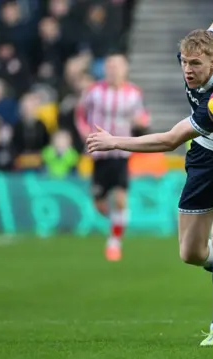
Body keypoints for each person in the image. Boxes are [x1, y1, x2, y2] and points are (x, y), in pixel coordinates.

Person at [86, 0, 213, 346]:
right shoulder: (201, 49)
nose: (188, 69)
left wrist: (115, 142)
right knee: (191, 254)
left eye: (195, 64)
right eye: (185, 62)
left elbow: (169, 139)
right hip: (205, 156)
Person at [75, 54, 150, 261]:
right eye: (110, 66)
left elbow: (143, 117)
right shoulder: (94, 92)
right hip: (99, 153)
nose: (113, 70)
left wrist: (141, 121)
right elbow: (80, 114)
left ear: (125, 69)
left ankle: (114, 242)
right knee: (99, 203)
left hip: (121, 151)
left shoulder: (134, 93)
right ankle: (117, 222)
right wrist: (84, 132)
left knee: (119, 198)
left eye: (117, 66)